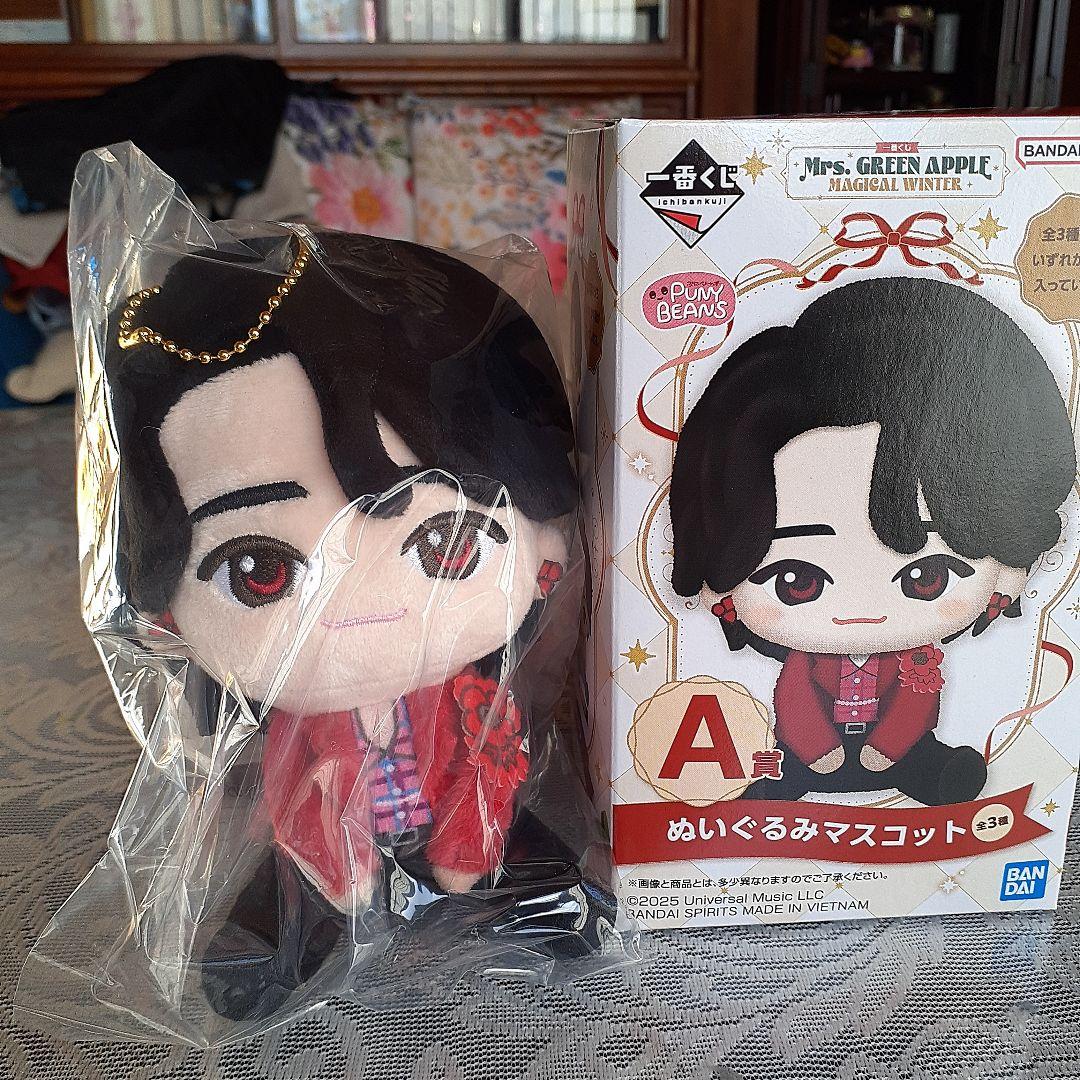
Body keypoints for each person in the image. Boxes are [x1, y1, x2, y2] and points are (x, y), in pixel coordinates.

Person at [669, 276, 1075, 805]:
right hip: (812, 750)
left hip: (898, 749)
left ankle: (931, 775)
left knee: (924, 763)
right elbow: (795, 700)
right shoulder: (808, 663)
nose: (860, 615)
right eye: (796, 581)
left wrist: (888, 748)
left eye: (925, 577)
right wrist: (817, 750)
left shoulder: (916, 661)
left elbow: (914, 705)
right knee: (785, 771)